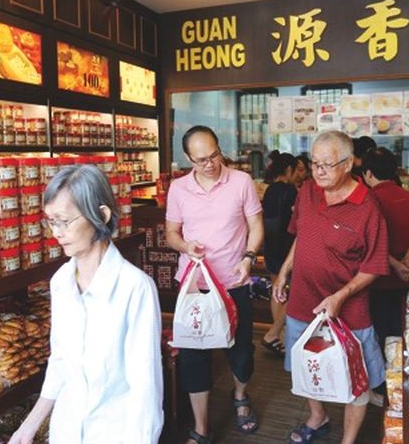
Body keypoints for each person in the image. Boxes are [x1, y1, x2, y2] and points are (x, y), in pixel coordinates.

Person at [9, 165, 163, 444]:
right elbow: (60, 362)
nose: (56, 232)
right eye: (51, 221)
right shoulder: (61, 282)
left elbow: (146, 387)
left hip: (114, 433)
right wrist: (29, 425)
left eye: (64, 221)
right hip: (67, 431)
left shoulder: (134, 288)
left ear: (101, 216)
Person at [273, 131, 389, 444]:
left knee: (356, 377)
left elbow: (374, 266)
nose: (319, 171)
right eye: (314, 163)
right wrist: (285, 270)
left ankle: (348, 439)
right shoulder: (308, 191)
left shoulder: (367, 207)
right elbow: (301, 234)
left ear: (349, 163)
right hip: (302, 302)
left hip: (349, 309)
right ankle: (317, 415)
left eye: (328, 164)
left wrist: (341, 296)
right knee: (307, 365)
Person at [165, 125, 264, 444]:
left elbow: (256, 226)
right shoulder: (178, 189)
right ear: (187, 158)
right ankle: (202, 426)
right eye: (200, 160)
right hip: (194, 285)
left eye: (214, 156)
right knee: (194, 354)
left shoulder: (241, 182)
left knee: (240, 348)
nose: (209, 164)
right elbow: (171, 233)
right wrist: (185, 246)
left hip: (233, 281)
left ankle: (240, 396)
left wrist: (249, 256)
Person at [362, 147, 409, 350]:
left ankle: (379, 380)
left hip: (376, 280)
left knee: (376, 336)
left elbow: (370, 242)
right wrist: (405, 261)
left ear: (368, 174)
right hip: (404, 279)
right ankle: (395, 376)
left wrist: (396, 265)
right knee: (399, 333)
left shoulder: (368, 200)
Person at [260, 152, 298, 357]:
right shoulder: (290, 190)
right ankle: (274, 333)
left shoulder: (269, 190)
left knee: (277, 290)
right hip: (286, 246)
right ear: (289, 170)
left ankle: (279, 336)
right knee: (294, 292)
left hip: (270, 245)